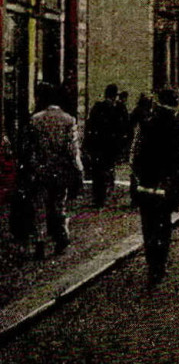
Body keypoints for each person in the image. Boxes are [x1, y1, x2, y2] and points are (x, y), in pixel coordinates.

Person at [130, 89, 179, 288]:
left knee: (148, 225)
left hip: (147, 183)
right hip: (167, 185)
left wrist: (137, 178)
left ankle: (152, 263)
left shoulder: (146, 125)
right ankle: (160, 264)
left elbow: (134, 155)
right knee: (164, 224)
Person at [26, 82, 84, 259]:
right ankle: (61, 238)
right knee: (59, 204)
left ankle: (40, 241)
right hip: (60, 170)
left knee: (40, 206)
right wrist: (78, 170)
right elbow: (72, 149)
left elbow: (31, 148)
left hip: (41, 169)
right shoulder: (68, 120)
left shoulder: (35, 119)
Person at [83, 84, 123, 207]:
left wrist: (88, 143)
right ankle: (104, 195)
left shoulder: (97, 107)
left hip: (97, 145)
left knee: (97, 172)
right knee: (107, 170)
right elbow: (119, 129)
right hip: (109, 146)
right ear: (114, 96)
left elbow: (89, 125)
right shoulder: (115, 109)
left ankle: (98, 197)